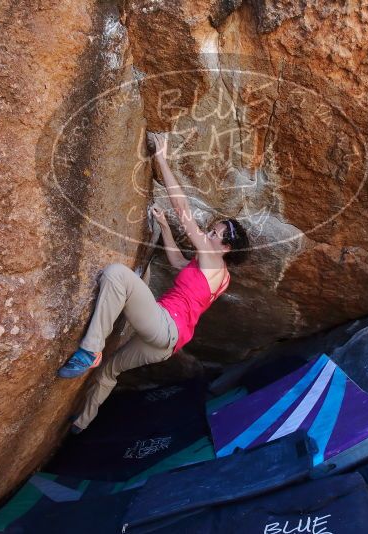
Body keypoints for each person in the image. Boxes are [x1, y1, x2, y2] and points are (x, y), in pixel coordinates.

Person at [58, 132, 250, 434]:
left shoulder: (213, 260)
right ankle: (82, 423)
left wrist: (161, 157)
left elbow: (183, 210)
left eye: (214, 234)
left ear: (226, 248)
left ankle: (90, 349)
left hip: (164, 326)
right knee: (111, 369)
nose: (207, 234)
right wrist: (164, 229)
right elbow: (177, 263)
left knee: (117, 275)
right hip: (166, 343)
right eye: (210, 230)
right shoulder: (219, 275)